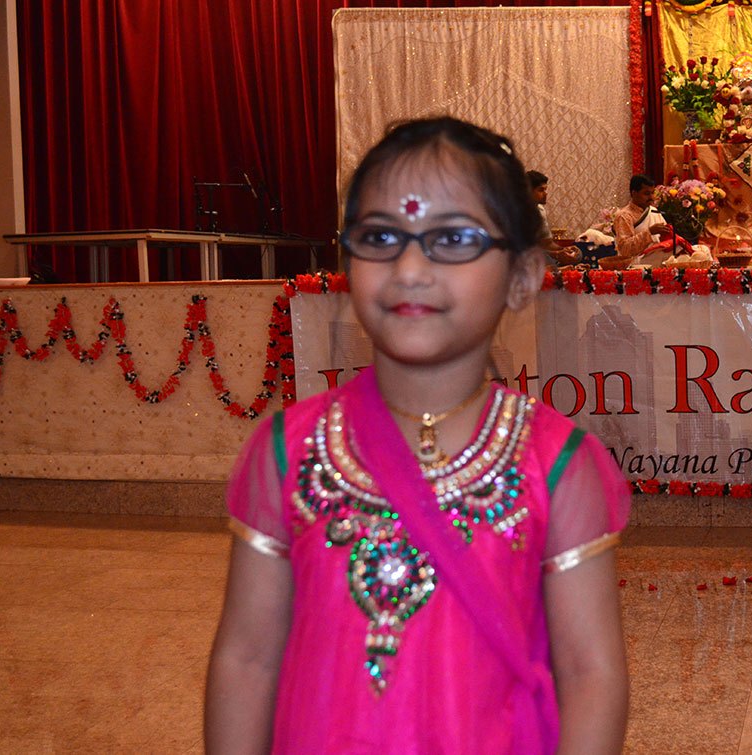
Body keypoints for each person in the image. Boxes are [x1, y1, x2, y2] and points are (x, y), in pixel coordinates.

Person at [205, 117, 630, 754]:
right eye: (380, 237)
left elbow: (590, 673)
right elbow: (247, 658)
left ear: (522, 275)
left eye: (452, 238)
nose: (408, 268)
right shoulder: (288, 450)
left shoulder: (556, 463)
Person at [527, 169, 580, 266]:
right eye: (541, 190)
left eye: (545, 189)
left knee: (578, 255)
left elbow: (547, 243)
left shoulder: (540, 211)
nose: (546, 193)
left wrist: (564, 250)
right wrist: (556, 255)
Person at [612, 174, 669, 261]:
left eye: (652, 193)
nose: (651, 197)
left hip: (659, 261)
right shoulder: (624, 216)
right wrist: (649, 232)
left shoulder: (654, 211)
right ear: (634, 193)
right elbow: (625, 249)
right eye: (646, 193)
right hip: (635, 265)